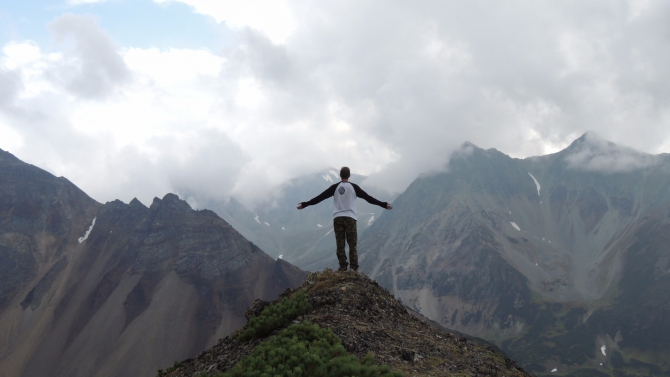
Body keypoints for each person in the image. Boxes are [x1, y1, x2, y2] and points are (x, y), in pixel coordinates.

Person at [297, 167, 392, 272]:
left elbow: (320, 197)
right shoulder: (354, 187)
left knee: (340, 243)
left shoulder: (335, 187)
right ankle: (353, 267)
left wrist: (305, 204)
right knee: (352, 244)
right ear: (349, 175)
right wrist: (383, 204)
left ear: (340, 175)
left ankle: (342, 266)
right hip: (350, 218)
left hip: (337, 218)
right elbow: (368, 198)